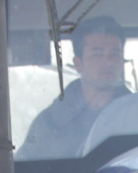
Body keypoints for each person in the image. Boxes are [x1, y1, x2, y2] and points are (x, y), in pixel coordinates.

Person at [16, 15, 129, 160]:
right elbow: (25, 172)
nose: (108, 62)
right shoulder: (50, 123)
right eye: (97, 54)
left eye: (115, 54)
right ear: (78, 64)